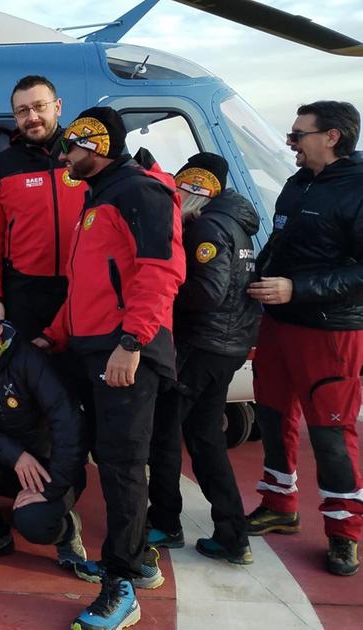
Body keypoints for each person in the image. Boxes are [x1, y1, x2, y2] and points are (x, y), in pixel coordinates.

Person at [35, 107, 184, 629]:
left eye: (71, 148)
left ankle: (120, 585)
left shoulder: (138, 193)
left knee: (122, 466)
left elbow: (161, 270)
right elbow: (88, 286)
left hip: (125, 353)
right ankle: (138, 561)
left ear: (95, 145)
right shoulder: (99, 199)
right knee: (112, 458)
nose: (66, 157)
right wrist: (52, 334)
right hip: (95, 347)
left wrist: (132, 341)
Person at [246, 100, 363, 577]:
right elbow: (280, 242)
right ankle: (280, 503)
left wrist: (299, 288)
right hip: (280, 323)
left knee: (331, 433)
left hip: (330, 332)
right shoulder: (297, 185)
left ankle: (344, 533)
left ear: (331, 137)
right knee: (272, 417)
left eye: (298, 135)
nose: (290, 143)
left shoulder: (358, 188)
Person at [145, 153, 260, 565]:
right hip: (226, 346)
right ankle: (232, 535)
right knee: (206, 438)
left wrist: (166, 293)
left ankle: (165, 522)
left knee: (164, 431)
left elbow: (208, 292)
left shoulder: (208, 227)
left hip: (200, 346)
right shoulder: (236, 224)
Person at [0, 286, 88, 571]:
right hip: (8, 464)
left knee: (33, 523)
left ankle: (67, 531)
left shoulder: (28, 358)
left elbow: (68, 422)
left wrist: (56, 486)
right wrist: (14, 453)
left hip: (51, 469)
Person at [0, 75, 88, 341]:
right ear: (15, 116)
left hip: (83, 287)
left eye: (39, 106)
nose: (32, 117)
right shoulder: (0, 167)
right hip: (25, 294)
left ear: (57, 107)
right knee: (30, 374)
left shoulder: (84, 157)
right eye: (22, 111)